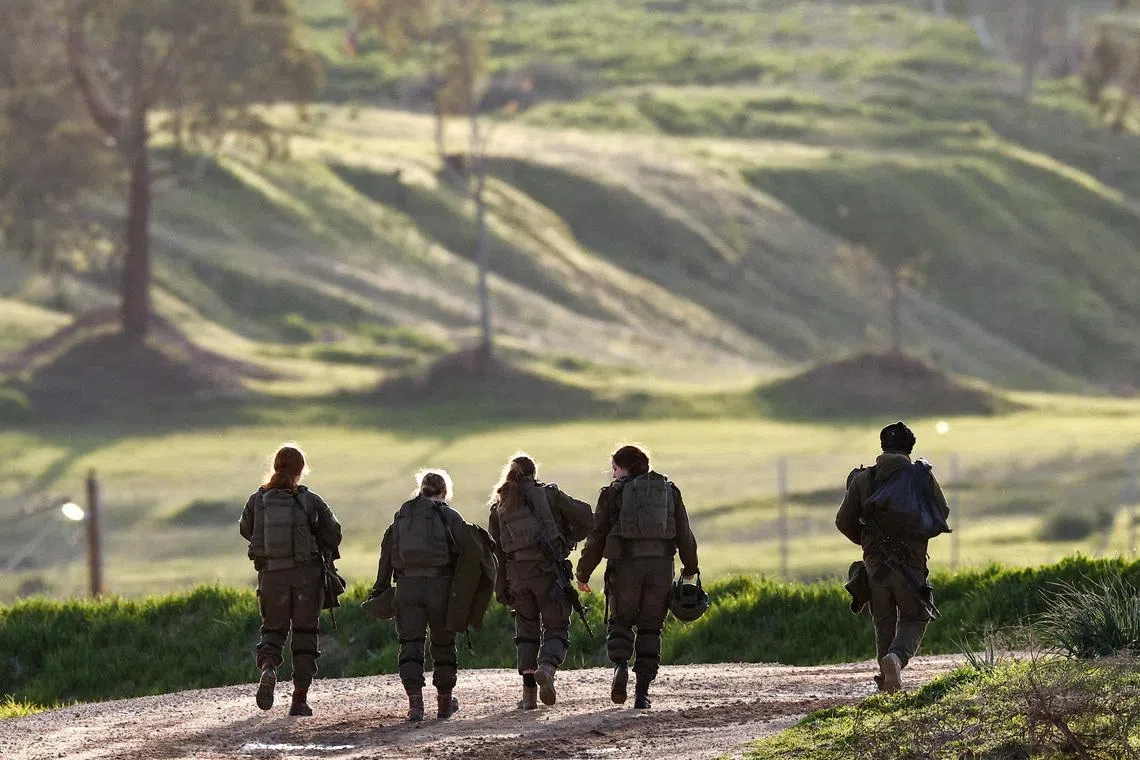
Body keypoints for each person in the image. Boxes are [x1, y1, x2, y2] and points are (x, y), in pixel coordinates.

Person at [575, 445, 699, 710]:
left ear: (626, 468)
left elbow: (597, 536)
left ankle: (620, 666)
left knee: (620, 621)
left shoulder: (613, 494)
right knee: (651, 628)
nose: (613, 474)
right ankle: (642, 694)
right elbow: (685, 534)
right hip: (662, 567)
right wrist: (690, 568)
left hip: (625, 567)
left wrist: (583, 572)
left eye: (616, 469)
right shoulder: (669, 490)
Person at [835, 421, 950, 694]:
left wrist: (868, 543)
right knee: (916, 615)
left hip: (875, 565)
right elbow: (941, 513)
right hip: (911, 565)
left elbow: (843, 521)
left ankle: (887, 680)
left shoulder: (864, 479)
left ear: (883, 447)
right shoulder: (920, 476)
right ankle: (895, 660)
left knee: (883, 622)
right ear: (910, 448)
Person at [239, 443, 342, 716]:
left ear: (275, 467)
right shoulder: (311, 500)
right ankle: (299, 699)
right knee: (305, 634)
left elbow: (246, 530)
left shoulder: (257, 500)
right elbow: (334, 535)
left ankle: (269, 667)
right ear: (300, 471)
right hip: (307, 577)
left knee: (272, 630)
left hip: (271, 577)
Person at [487, 454, 594, 710]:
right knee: (556, 628)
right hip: (549, 574)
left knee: (526, 634)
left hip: (517, 577)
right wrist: (567, 539)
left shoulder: (499, 507)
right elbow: (588, 518)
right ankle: (547, 667)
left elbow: (497, 554)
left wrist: (501, 589)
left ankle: (528, 697)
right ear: (534, 474)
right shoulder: (550, 495)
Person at [373, 469, 466, 722]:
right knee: (443, 644)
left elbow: (387, 553)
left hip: (406, 587)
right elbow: (467, 556)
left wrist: (380, 588)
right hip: (440, 587)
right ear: (444, 492)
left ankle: (415, 704)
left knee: (410, 644)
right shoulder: (449, 516)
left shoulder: (401, 517)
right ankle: (445, 702)